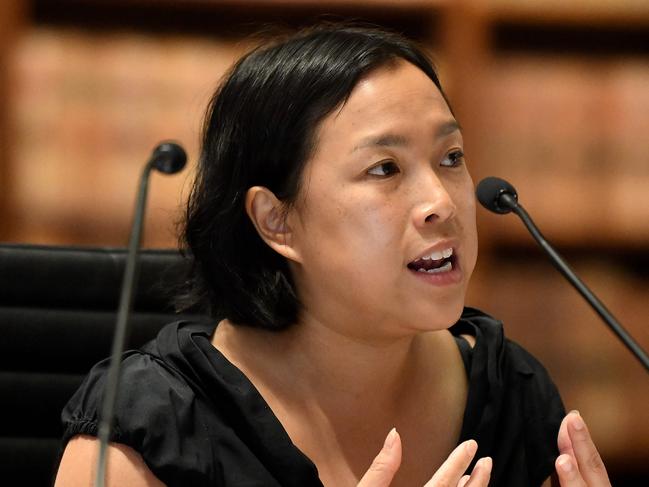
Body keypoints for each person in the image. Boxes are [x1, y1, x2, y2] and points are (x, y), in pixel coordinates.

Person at [54, 25, 612, 487]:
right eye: (385, 169)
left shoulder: (511, 394)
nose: (442, 202)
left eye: (451, 156)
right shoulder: (141, 430)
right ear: (277, 220)